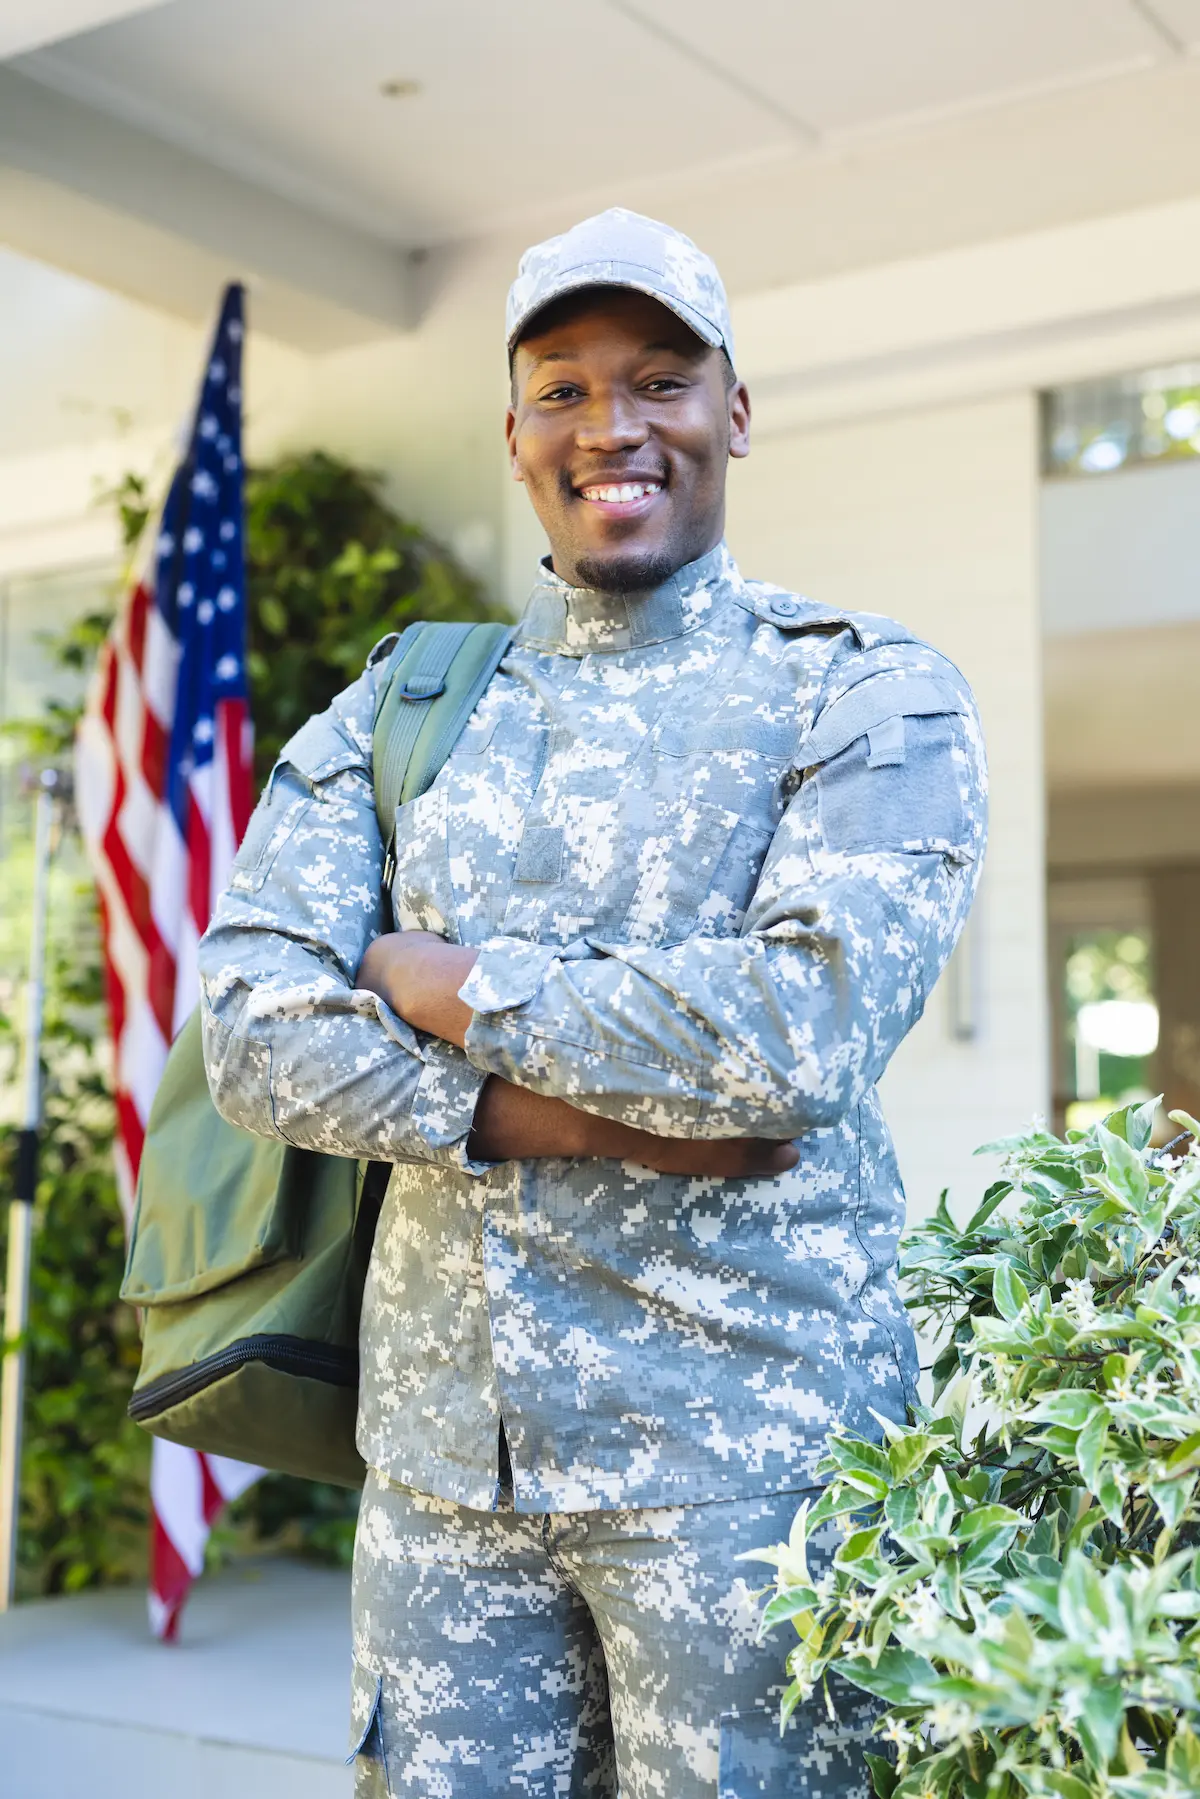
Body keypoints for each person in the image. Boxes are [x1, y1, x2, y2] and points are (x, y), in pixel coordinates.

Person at [199, 208, 987, 1799]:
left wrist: (447, 979)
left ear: (734, 412)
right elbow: (250, 1024)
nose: (611, 426)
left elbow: (794, 1032)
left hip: (750, 1468)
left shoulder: (863, 689)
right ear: (512, 435)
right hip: (445, 1473)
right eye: (562, 388)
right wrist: (539, 1111)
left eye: (660, 379)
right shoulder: (407, 711)